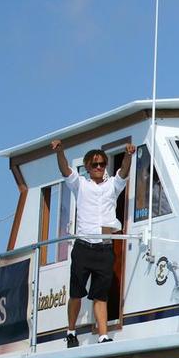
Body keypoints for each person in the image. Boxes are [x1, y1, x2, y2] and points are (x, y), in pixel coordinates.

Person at [52, 139, 135, 347]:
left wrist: (128, 155)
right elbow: (65, 170)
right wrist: (60, 151)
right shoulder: (80, 184)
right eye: (95, 164)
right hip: (83, 246)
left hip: (104, 248)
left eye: (102, 164)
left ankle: (103, 335)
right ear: (88, 167)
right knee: (76, 293)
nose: (99, 168)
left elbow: (123, 172)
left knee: (101, 294)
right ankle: (71, 331)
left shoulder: (112, 186)